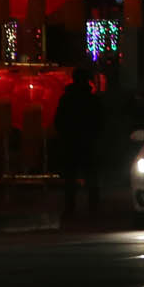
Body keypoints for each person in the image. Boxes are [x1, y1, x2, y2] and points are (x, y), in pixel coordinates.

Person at [55, 64, 101, 215]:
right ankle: (93, 207)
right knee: (90, 176)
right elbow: (100, 121)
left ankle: (70, 207)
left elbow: (59, 121)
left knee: (71, 177)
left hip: (71, 141)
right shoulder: (91, 100)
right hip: (87, 142)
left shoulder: (67, 99)